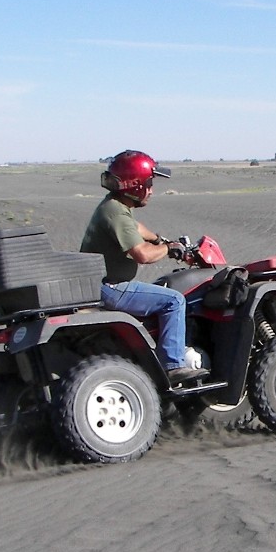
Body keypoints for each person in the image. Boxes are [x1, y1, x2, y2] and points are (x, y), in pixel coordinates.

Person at [80, 150, 208, 384]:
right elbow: (142, 255)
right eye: (148, 183)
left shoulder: (115, 206)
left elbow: (136, 228)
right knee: (174, 300)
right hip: (111, 288)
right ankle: (173, 365)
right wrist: (168, 250)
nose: (151, 189)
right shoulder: (115, 212)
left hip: (100, 285)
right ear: (135, 184)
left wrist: (162, 240)